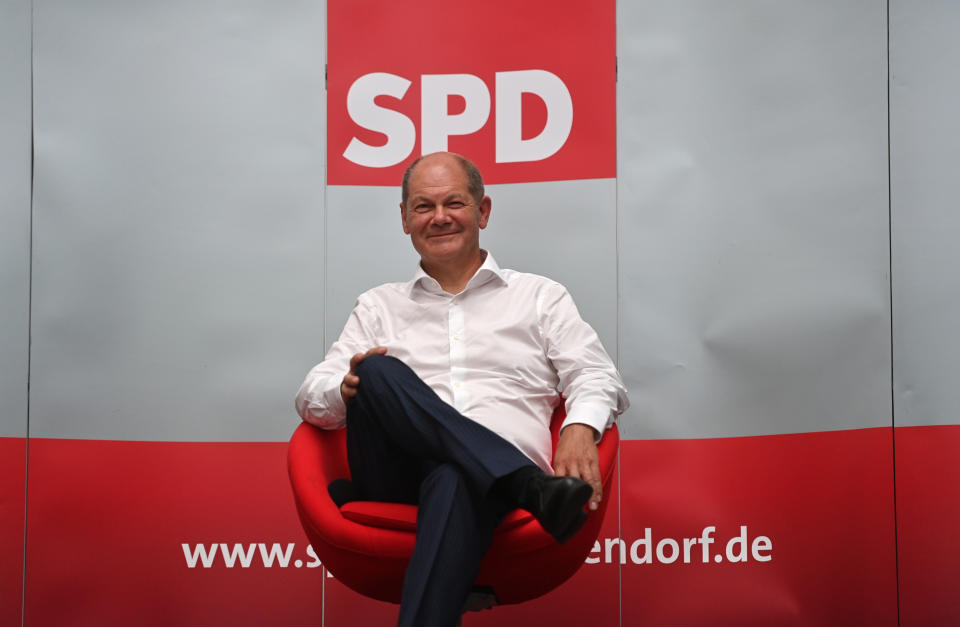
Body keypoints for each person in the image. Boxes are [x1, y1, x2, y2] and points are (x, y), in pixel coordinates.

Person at [295, 152, 628, 627]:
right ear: (406, 219)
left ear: (483, 211)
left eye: (454, 202)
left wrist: (578, 426)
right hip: (396, 478)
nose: (440, 217)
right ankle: (525, 484)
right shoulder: (378, 306)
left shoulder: (539, 296)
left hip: (474, 491)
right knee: (375, 373)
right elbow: (311, 394)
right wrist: (344, 388)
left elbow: (596, 375)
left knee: (457, 476)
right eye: (423, 206)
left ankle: (500, 478)